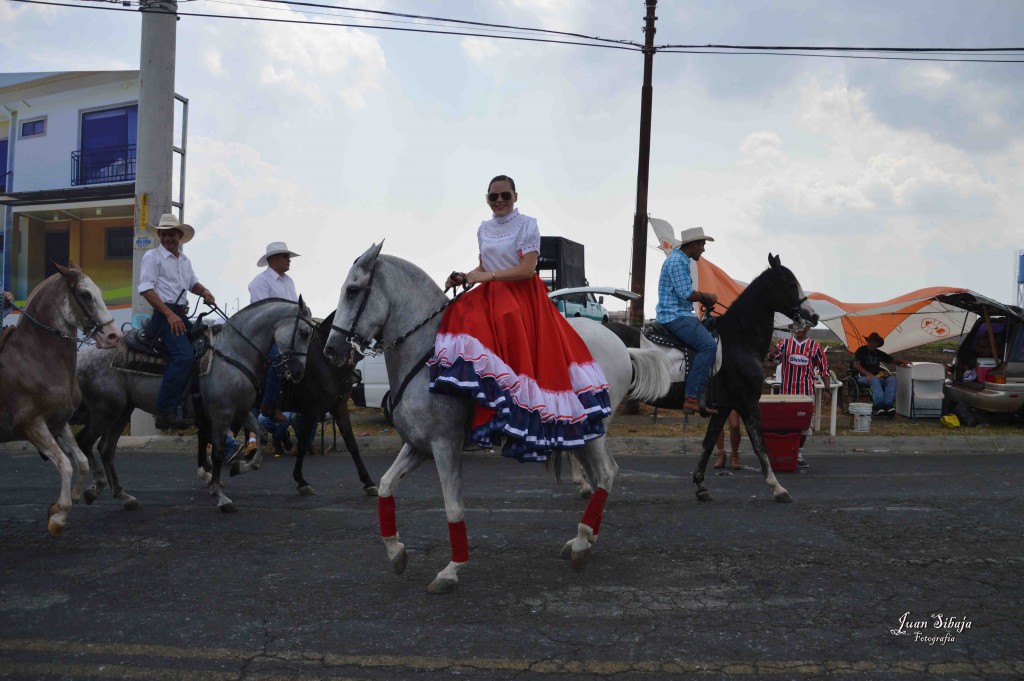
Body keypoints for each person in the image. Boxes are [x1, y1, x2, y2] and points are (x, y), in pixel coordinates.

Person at [429, 174, 612, 463]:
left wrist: (487, 276)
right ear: (487, 199)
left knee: (505, 317)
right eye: (493, 197)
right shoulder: (484, 228)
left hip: (520, 294)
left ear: (515, 196)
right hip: (491, 290)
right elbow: (484, 265)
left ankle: (516, 408)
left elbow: (527, 270)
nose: (499, 201)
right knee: (458, 312)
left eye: (505, 196)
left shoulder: (527, 224)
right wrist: (466, 276)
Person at [138, 214, 216, 429]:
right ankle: (164, 410)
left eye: (171, 234)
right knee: (183, 357)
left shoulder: (184, 260)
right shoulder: (152, 257)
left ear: (179, 236)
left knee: (206, 349)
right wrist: (169, 315)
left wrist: (205, 291)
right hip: (164, 316)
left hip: (180, 315)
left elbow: (193, 284)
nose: (166, 238)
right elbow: (146, 289)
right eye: (163, 234)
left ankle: (193, 403)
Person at [655, 226, 719, 415]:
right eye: (702, 245)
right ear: (694, 244)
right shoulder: (677, 262)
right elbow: (686, 293)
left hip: (679, 313)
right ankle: (691, 398)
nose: (704, 250)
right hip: (675, 316)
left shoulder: (680, 259)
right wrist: (707, 296)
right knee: (708, 346)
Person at [248, 241, 301, 423]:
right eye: (286, 257)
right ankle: (270, 404)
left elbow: (295, 309)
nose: (289, 261)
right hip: (266, 334)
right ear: (274, 259)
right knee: (278, 358)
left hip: (287, 332)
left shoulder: (289, 281)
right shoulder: (259, 282)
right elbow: (262, 316)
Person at [768, 319, 830, 468]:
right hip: (786, 392)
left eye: (803, 326)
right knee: (786, 423)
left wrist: (827, 389)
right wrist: (772, 353)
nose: (799, 329)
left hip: (806, 392)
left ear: (808, 328)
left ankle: (799, 454)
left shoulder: (815, 347)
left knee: (804, 424)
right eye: (796, 325)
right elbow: (773, 362)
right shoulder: (784, 344)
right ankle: (785, 452)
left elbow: (824, 369)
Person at [852, 331, 910, 418]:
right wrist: (869, 375)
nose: (871, 343)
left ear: (877, 344)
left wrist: (903, 362)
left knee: (892, 379)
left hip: (876, 377)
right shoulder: (861, 350)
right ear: (867, 342)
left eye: (873, 342)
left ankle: (888, 405)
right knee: (874, 379)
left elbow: (892, 360)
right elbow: (856, 365)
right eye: (870, 341)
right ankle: (878, 406)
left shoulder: (878, 353)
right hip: (862, 377)